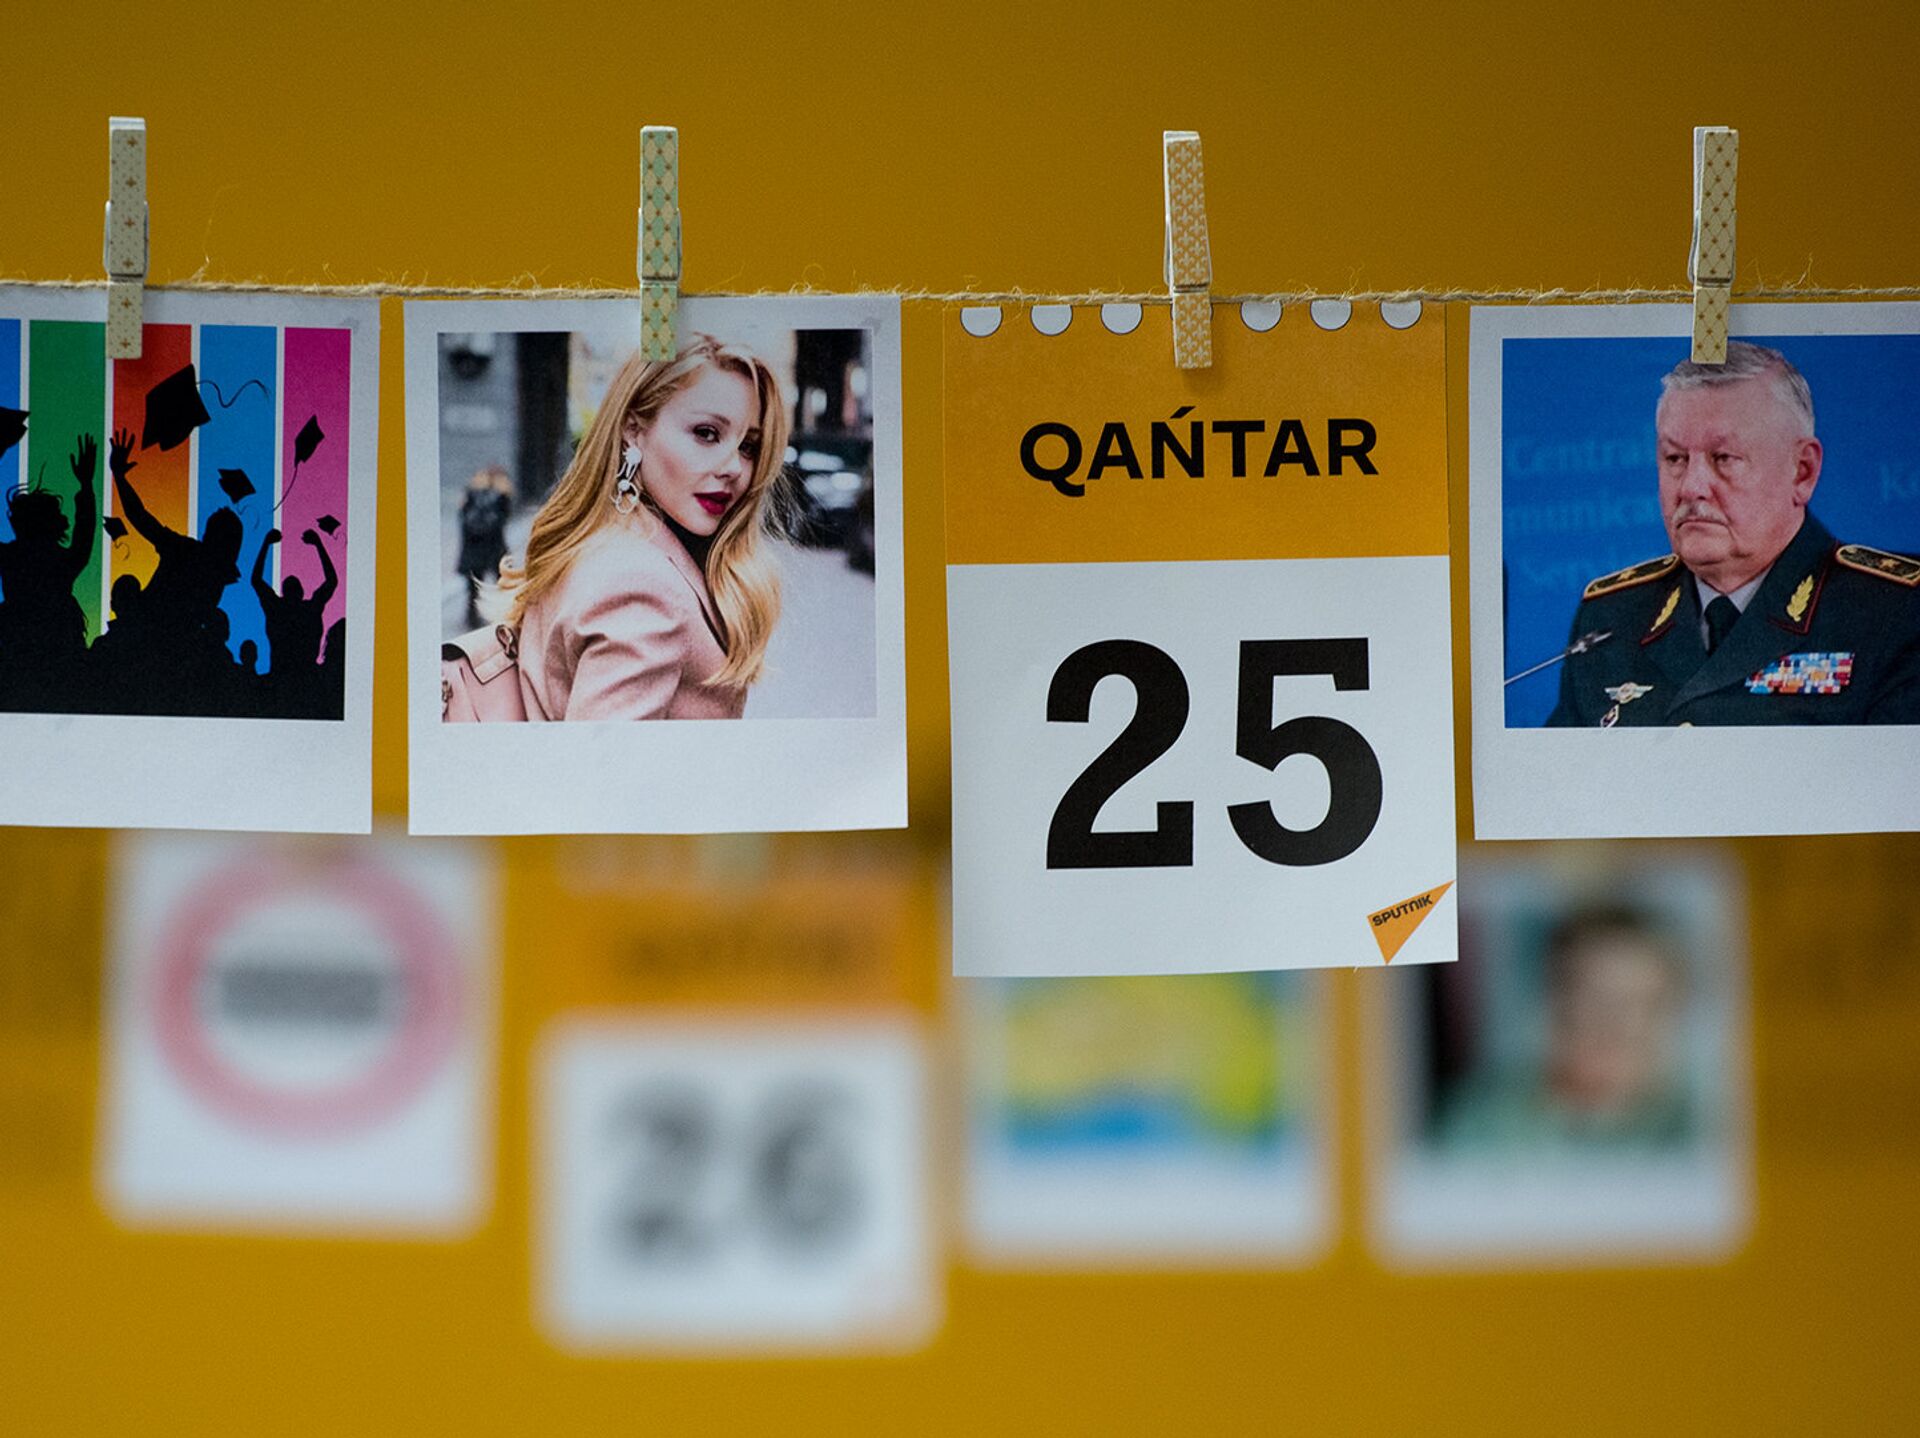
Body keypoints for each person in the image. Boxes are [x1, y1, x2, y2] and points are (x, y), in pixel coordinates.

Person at [1546, 342, 1920, 726]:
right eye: (1675, 458)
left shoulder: (1896, 613)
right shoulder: (1611, 619)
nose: (1691, 487)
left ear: (1802, 472)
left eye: (1724, 458)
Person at [445, 334, 788, 721]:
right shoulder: (641, 586)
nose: (734, 467)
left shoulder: (597, 539)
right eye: (706, 433)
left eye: (748, 446)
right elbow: (604, 760)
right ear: (634, 429)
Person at [1435, 906, 1693, 1152]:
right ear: (1554, 1001)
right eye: (1595, 997)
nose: (1616, 1024)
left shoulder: (1695, 1132)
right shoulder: (1480, 1121)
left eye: (1641, 1004)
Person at [0, 432, 97, 710]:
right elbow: (85, 533)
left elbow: (84, 532)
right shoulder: (61, 562)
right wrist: (86, 485)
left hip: (18, 652)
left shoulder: (10, 556)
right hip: (60, 654)